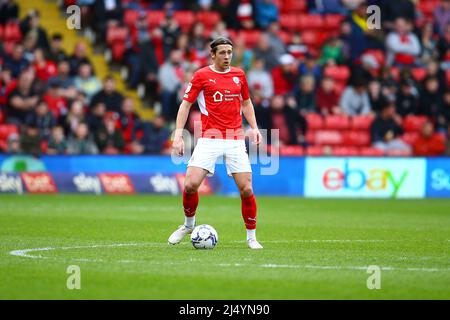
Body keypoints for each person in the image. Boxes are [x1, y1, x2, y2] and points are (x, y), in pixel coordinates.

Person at [168, 37, 263, 250]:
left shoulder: (239, 75)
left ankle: (251, 237)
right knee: (191, 184)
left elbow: (246, 103)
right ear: (213, 54)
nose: (227, 56)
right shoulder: (201, 75)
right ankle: (188, 225)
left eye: (229, 52)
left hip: (235, 139)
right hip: (209, 139)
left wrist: (255, 127)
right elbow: (185, 105)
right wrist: (178, 135)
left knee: (246, 189)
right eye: (222, 52)